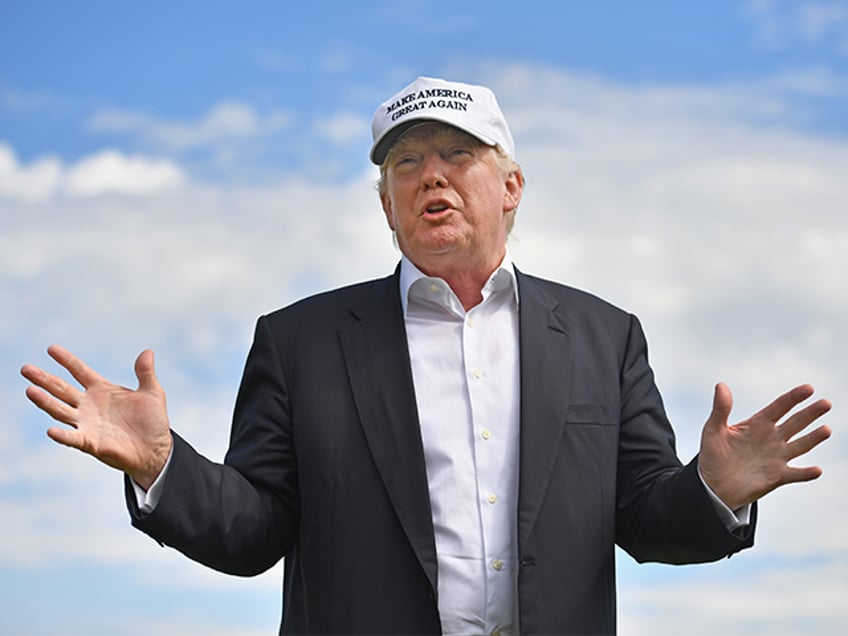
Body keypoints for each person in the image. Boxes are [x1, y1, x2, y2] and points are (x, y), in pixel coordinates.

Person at [21, 77, 833, 635]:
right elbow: (254, 532)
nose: (430, 177)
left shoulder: (602, 336)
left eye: (458, 154)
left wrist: (715, 490)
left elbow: (647, 522)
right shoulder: (300, 342)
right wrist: (164, 465)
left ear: (510, 186)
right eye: (406, 163)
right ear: (385, 205)